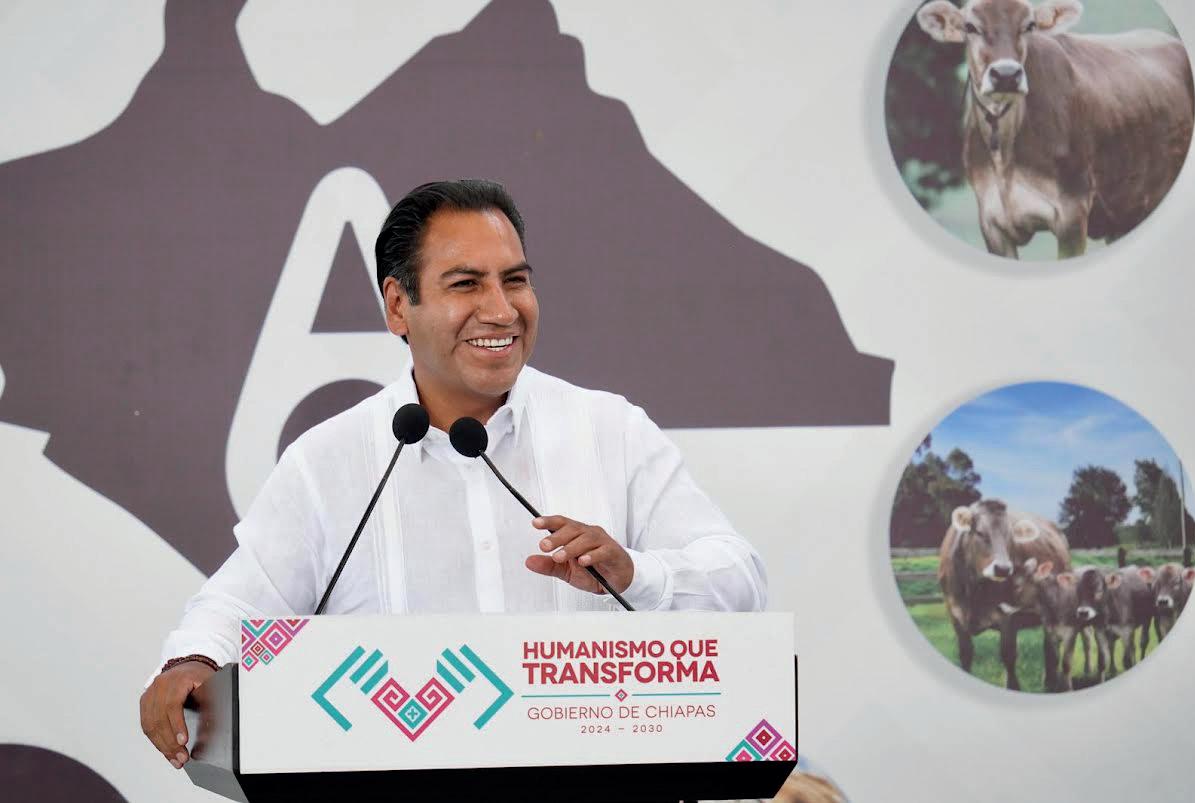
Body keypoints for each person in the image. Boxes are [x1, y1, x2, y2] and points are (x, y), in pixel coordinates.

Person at [139, 179, 768, 769]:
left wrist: (635, 574)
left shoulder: (611, 431)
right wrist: (192, 661)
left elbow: (740, 579)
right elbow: (233, 605)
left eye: (515, 281)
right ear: (398, 306)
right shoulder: (329, 461)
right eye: (466, 284)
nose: (502, 310)